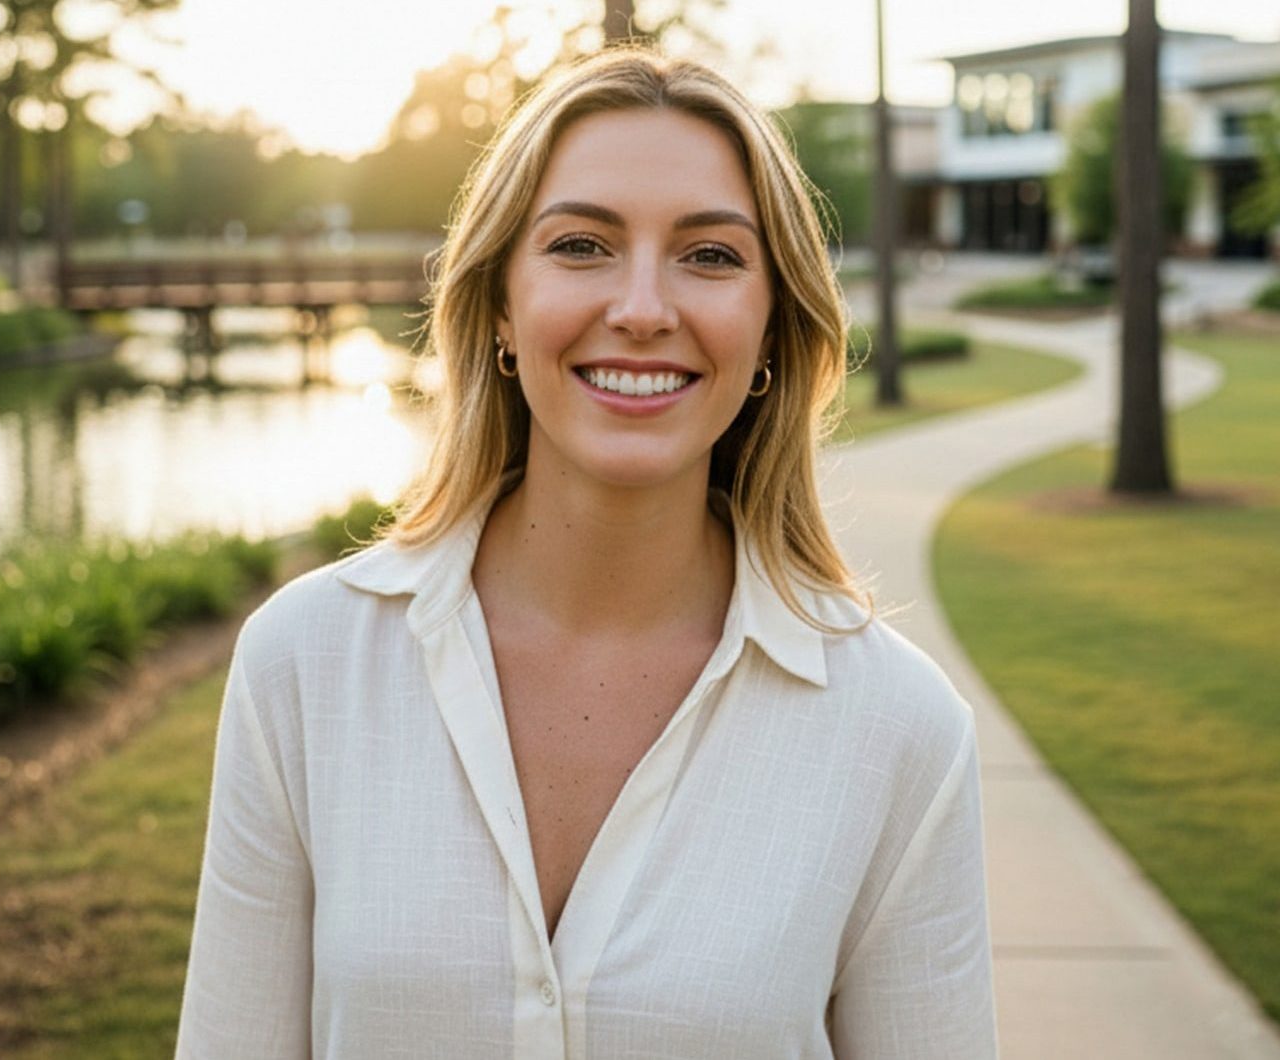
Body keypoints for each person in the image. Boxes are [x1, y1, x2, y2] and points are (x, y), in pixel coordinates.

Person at [175, 46, 996, 1059]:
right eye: (579, 245)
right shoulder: (302, 667)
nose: (642, 309)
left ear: (772, 327)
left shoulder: (900, 732)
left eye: (709, 256)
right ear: (500, 307)